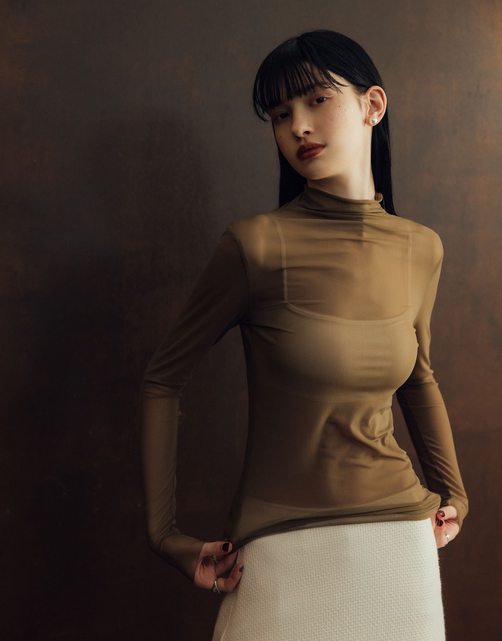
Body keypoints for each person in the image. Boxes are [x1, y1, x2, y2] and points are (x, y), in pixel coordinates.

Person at [140, 29, 469, 641]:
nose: (298, 127)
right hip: (280, 547)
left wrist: (455, 493)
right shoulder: (255, 245)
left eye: (317, 100)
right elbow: (163, 378)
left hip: (401, 546)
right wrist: (165, 536)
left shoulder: (421, 247)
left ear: (373, 105)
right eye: (280, 114)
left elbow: (418, 376)